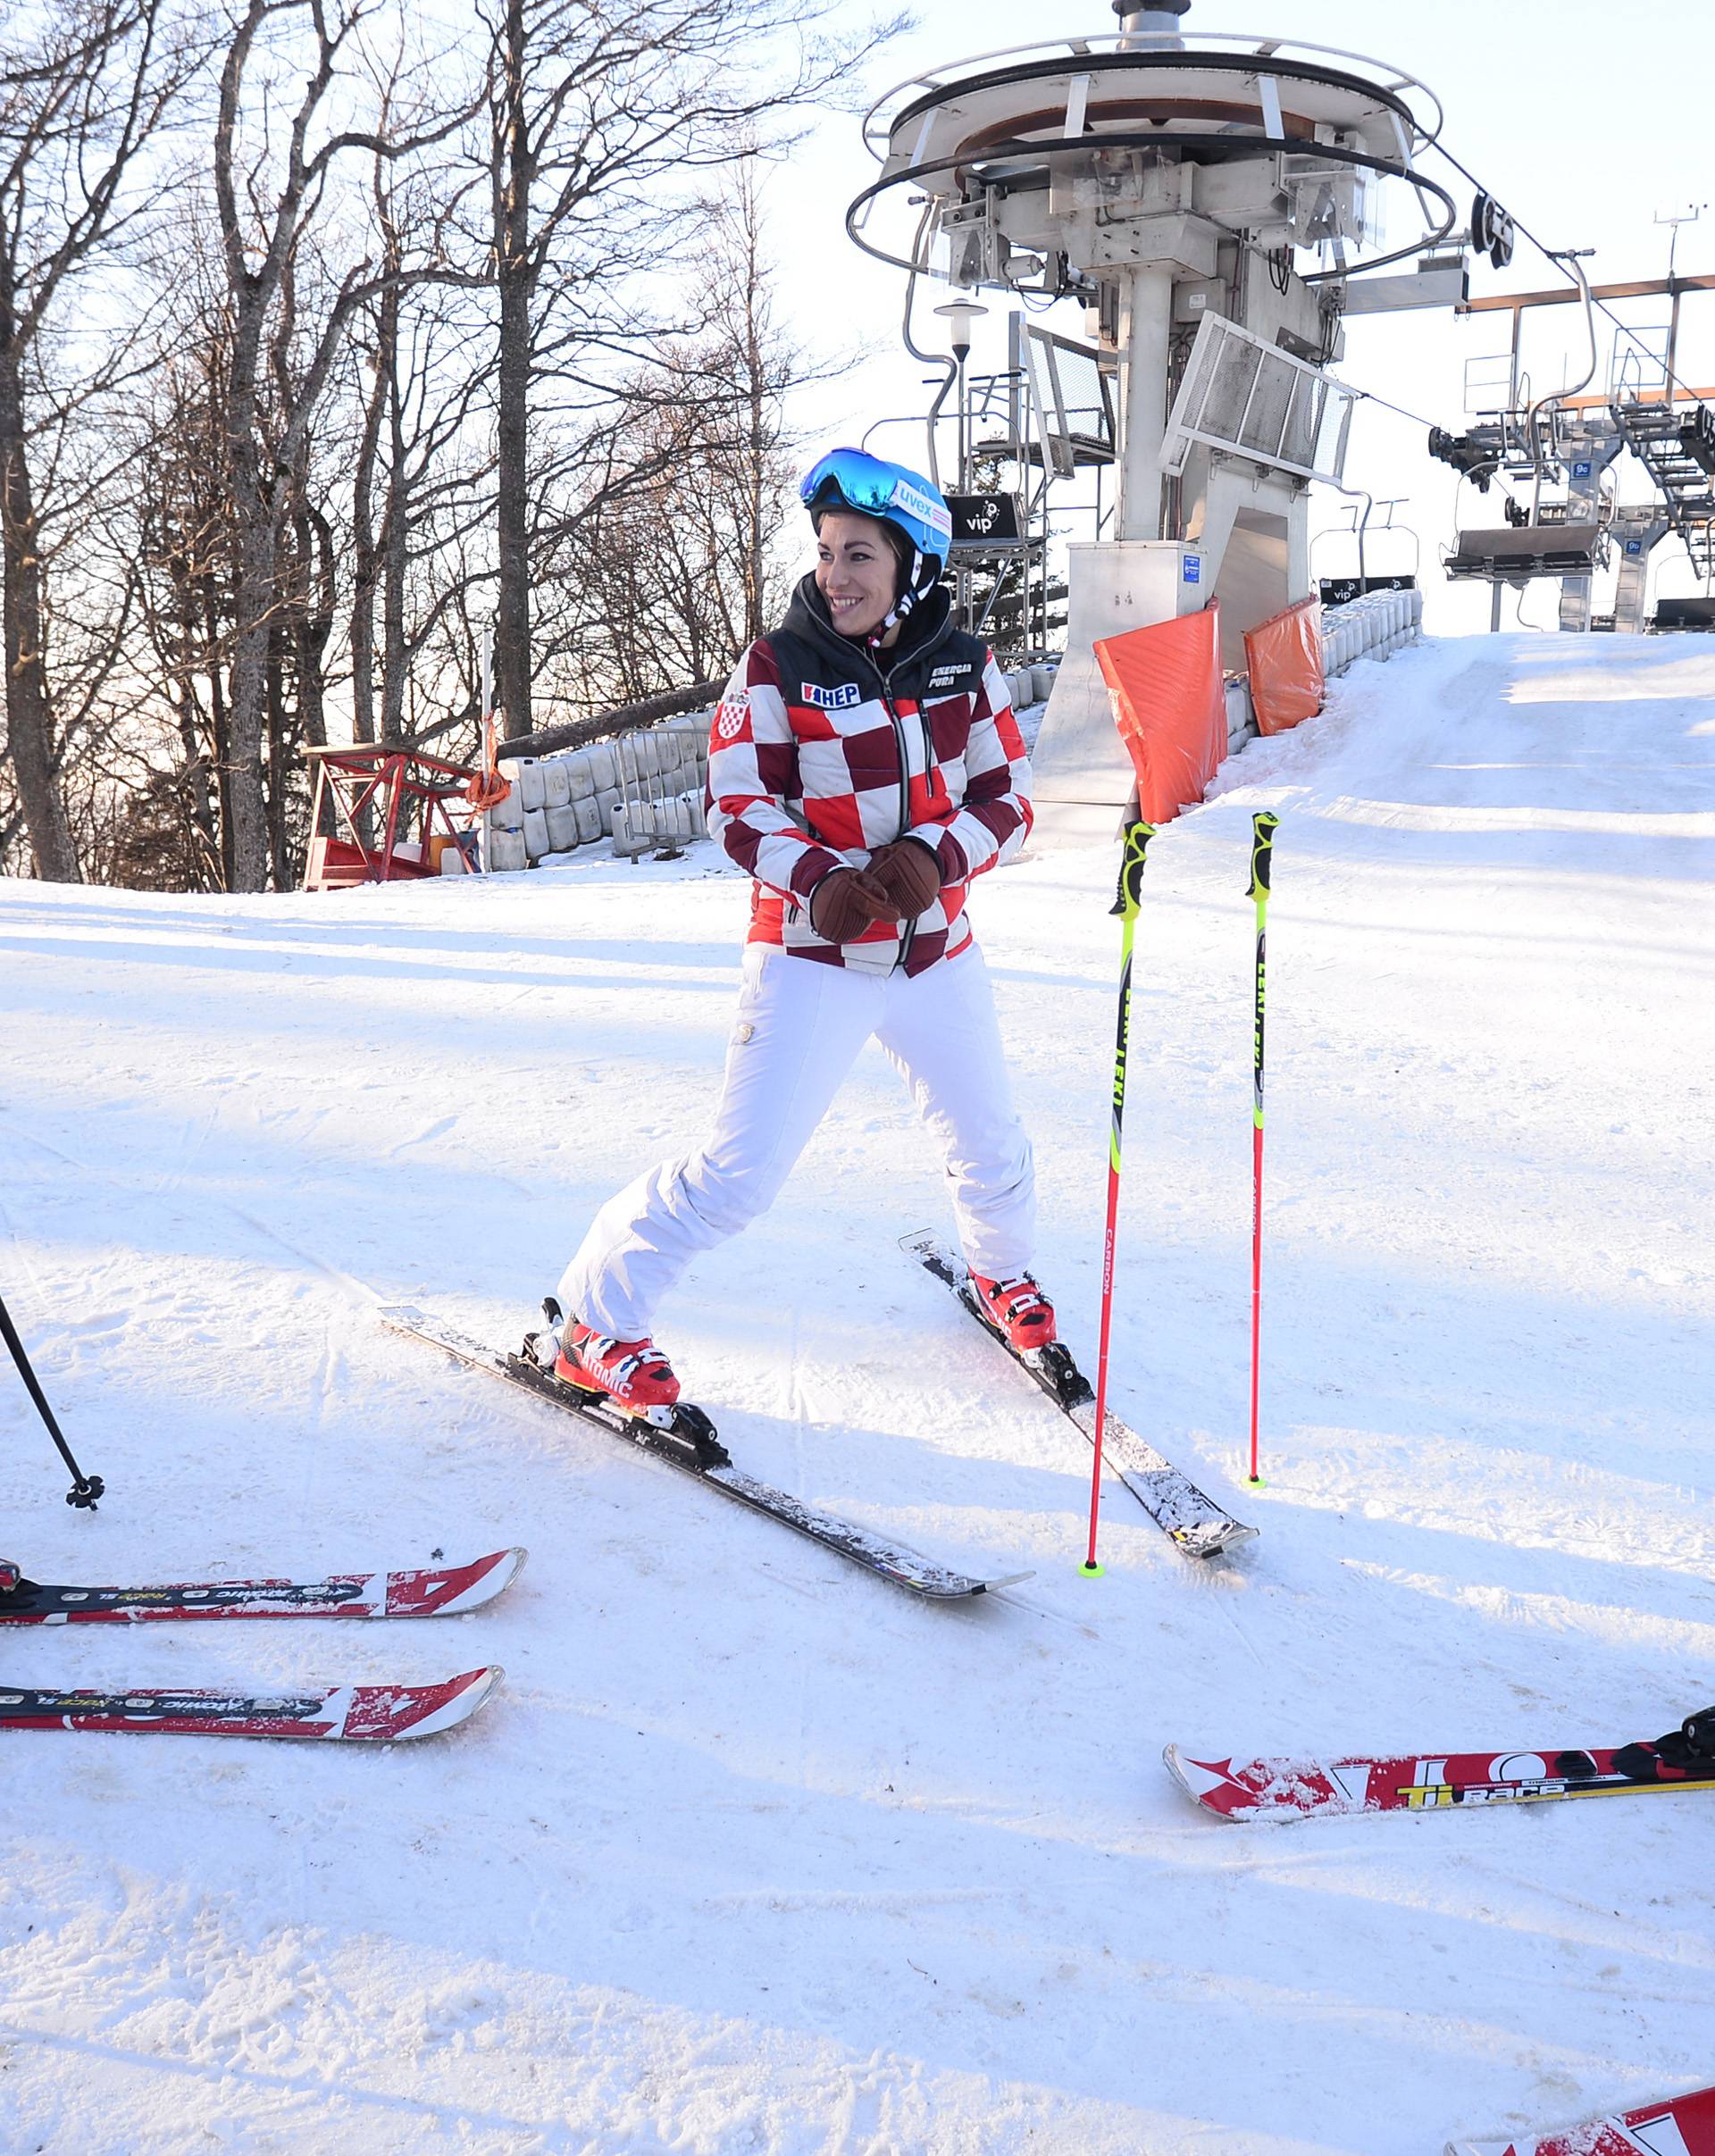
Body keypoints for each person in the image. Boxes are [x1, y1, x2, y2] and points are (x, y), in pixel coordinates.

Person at [543, 447, 1056, 1421]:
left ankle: (1002, 1274)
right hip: (813, 952)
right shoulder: (779, 665)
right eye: (826, 551)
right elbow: (736, 804)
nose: (836, 574)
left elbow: (1012, 798)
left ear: (915, 564)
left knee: (989, 1143)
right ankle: (594, 1322)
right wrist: (824, 882)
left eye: (859, 553)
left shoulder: (966, 665)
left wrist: (934, 858)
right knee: (736, 1179)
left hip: (935, 949)